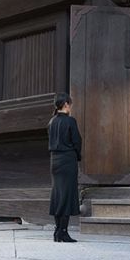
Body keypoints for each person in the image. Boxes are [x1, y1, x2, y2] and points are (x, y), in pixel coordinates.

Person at [47, 92, 82, 242]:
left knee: (57, 194)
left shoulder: (51, 122)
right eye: (70, 104)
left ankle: (57, 231)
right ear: (66, 104)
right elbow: (77, 142)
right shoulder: (70, 121)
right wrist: (77, 156)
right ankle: (64, 231)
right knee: (67, 195)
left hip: (54, 161)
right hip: (68, 160)